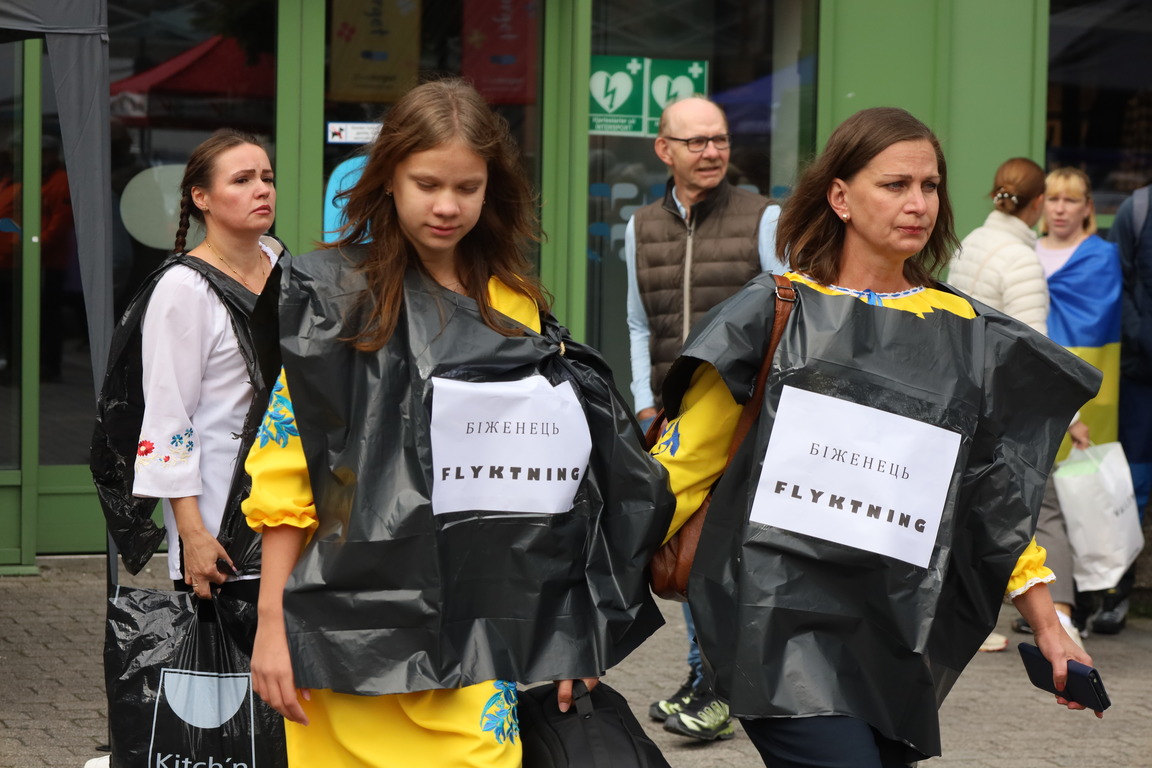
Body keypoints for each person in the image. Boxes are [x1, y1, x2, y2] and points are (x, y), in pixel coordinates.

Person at [650, 107, 1102, 767]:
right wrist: (583, 617)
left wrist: (1049, 625)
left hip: (896, 633)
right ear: (840, 196)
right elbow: (677, 471)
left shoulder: (964, 331)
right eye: (895, 185)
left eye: (930, 185)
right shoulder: (774, 312)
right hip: (776, 630)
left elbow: (990, 499)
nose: (918, 203)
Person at [242, 78, 672, 768]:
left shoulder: (514, 305)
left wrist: (575, 635)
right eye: (427, 183)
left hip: (474, 641)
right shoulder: (334, 297)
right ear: (388, 178)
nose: (447, 205)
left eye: (467, 187)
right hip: (345, 633)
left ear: (490, 189)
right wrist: (272, 624)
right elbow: (287, 475)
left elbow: (551, 494)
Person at [91, 129, 286, 763]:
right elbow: (167, 418)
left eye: (266, 177)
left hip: (286, 501)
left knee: (283, 671)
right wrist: (192, 534)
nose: (261, 189)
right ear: (201, 197)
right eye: (242, 180)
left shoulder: (279, 261)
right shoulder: (183, 288)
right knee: (230, 682)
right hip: (218, 513)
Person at [624, 95, 781, 742]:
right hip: (674, 417)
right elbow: (639, 323)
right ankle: (704, 677)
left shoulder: (763, 218)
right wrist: (644, 400)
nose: (712, 152)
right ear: (665, 150)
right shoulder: (641, 226)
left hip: (742, 419)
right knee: (687, 549)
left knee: (720, 553)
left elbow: (787, 313)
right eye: (697, 142)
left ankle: (718, 688)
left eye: (720, 140)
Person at [949, 158, 1089, 651]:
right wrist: (1072, 417)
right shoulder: (1021, 260)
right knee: (1035, 507)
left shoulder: (973, 240)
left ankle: (970, 618)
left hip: (961, 391)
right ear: (1037, 204)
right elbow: (1041, 350)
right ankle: (1056, 620)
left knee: (965, 506)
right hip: (1003, 405)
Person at [1037, 168, 1125, 633]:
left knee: (1082, 493)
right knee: (1046, 497)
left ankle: (1084, 600)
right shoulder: (1026, 252)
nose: (1060, 209)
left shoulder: (1103, 257)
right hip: (1038, 381)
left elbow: (1103, 320)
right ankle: (1053, 602)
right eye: (1053, 199)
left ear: (1088, 207)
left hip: (1090, 384)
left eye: (1071, 200)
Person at [1109, 182, 1152, 632]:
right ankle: (1115, 594)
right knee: (1132, 488)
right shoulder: (1137, 210)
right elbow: (1116, 284)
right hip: (1141, 378)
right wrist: (1142, 335)